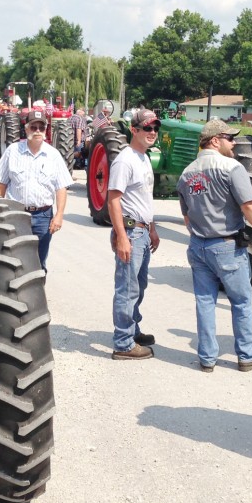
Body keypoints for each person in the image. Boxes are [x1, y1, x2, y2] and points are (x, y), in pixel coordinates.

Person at [177, 119, 252, 373]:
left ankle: (207, 359)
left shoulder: (187, 173)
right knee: (241, 301)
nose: (234, 143)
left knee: (205, 302)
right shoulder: (231, 167)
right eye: (230, 138)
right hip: (227, 245)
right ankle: (247, 356)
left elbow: (186, 216)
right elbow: (248, 205)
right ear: (215, 140)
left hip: (199, 246)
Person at [0, 108, 73, 272]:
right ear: (26, 128)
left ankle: (36, 295)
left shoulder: (53, 155)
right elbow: (1, 184)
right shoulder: (12, 151)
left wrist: (59, 215)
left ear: (45, 130)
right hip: (16, 214)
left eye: (41, 128)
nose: (37, 131)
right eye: (33, 127)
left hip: (43, 217)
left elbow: (61, 187)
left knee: (38, 262)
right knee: (14, 259)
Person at [108, 108, 160, 360]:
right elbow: (114, 201)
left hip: (141, 230)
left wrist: (152, 228)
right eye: (147, 128)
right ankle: (123, 342)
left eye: (155, 128)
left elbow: (143, 198)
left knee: (138, 286)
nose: (152, 133)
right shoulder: (124, 160)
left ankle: (132, 329)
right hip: (129, 231)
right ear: (134, 130)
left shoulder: (144, 158)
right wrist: (121, 237)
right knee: (127, 289)